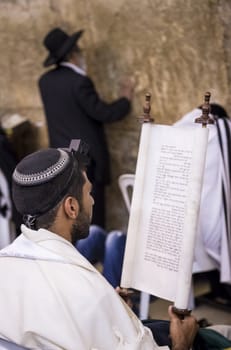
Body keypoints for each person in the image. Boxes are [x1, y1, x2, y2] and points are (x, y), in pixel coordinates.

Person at [0, 139, 201, 349]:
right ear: (71, 207)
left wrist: (109, 309)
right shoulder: (88, 293)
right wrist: (181, 343)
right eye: (88, 192)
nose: (93, 201)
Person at [38, 27, 134, 229]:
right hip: (86, 161)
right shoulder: (79, 82)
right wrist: (125, 99)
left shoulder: (45, 82)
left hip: (61, 161)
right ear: (73, 55)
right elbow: (102, 113)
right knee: (91, 218)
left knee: (69, 216)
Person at [174, 103, 231, 307]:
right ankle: (222, 288)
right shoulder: (217, 136)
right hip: (203, 236)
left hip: (175, 232)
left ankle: (218, 289)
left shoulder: (177, 136)